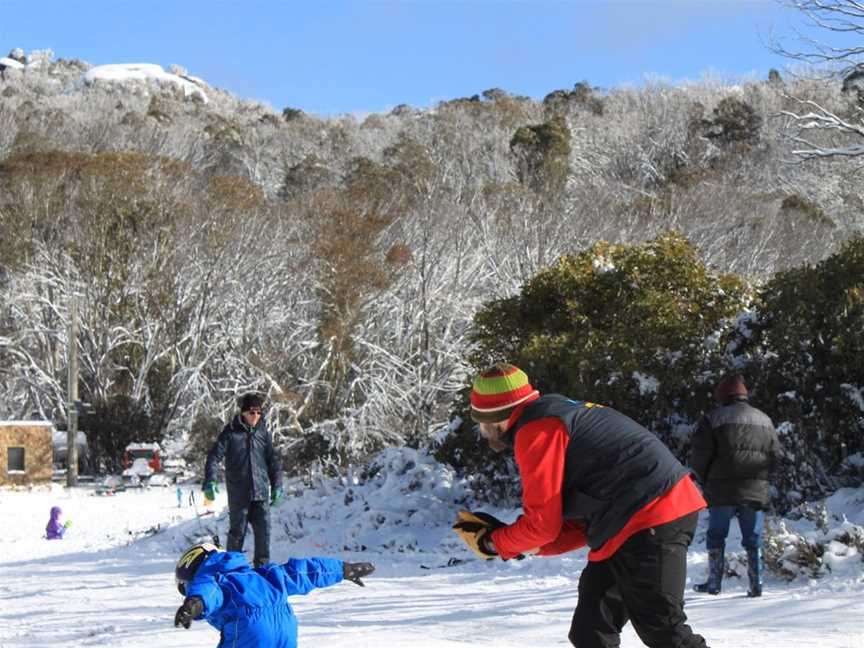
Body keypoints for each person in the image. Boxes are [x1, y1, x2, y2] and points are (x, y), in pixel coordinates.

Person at [453, 363, 709, 648]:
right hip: (625, 521)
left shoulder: (537, 430)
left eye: (479, 421)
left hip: (654, 513)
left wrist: (493, 543)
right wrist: (517, 544)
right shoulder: (556, 414)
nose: (480, 430)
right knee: (591, 631)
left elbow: (542, 526)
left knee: (663, 629)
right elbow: (576, 524)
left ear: (494, 418)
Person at [173, 541, 375, 647]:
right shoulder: (263, 575)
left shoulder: (213, 578)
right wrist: (342, 570)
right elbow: (301, 572)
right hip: (286, 628)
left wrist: (195, 603)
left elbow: (209, 592)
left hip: (250, 630)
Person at [689, 373, 779, 598]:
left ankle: (714, 583)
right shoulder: (764, 420)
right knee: (753, 537)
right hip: (754, 488)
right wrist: (763, 480)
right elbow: (776, 456)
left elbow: (700, 456)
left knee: (717, 534)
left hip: (721, 490)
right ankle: (756, 584)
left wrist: (704, 479)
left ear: (722, 396)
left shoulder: (713, 419)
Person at [204, 392, 283, 567]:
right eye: (252, 412)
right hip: (240, 494)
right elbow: (214, 457)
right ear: (243, 413)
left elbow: (273, 460)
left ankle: (262, 569)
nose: (256, 416)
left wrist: (277, 485)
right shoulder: (231, 432)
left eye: (258, 413)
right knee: (237, 533)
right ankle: (233, 569)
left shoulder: (263, 432)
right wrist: (210, 480)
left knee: (264, 533)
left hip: (261, 492)